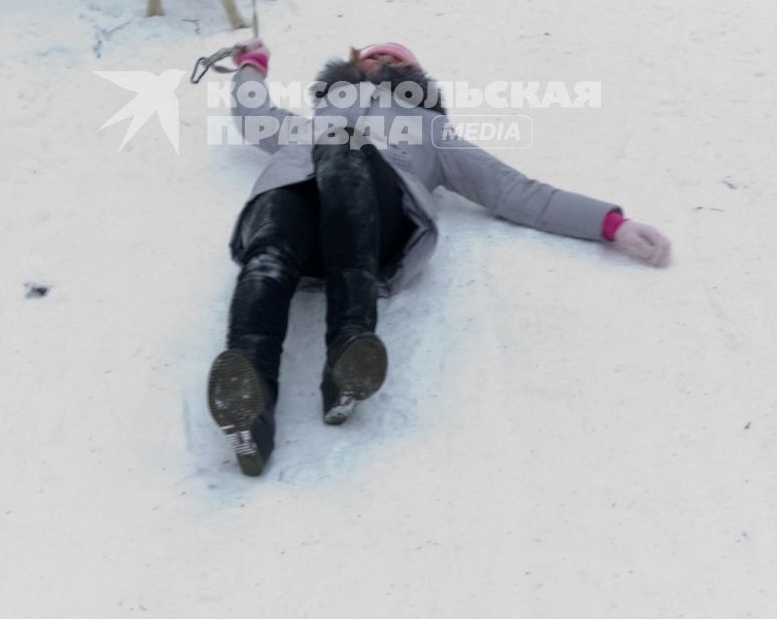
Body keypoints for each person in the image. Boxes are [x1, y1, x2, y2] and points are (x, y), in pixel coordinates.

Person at [207, 41, 671, 475]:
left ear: (412, 75)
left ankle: (347, 355)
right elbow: (254, 114)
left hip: (375, 225)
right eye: (372, 56)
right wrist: (251, 64)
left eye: (395, 59)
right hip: (300, 209)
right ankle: (249, 401)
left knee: (346, 148)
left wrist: (611, 224)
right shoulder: (311, 122)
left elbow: (513, 189)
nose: (380, 62)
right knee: (269, 244)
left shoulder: (431, 130)